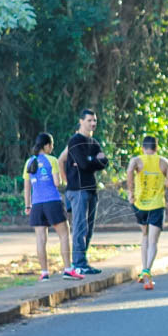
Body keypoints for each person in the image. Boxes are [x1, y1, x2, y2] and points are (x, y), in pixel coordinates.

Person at [23, 133, 78, 280]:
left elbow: (27, 187)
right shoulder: (52, 160)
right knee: (64, 235)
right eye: (51, 145)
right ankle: (68, 270)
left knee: (40, 239)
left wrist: (27, 206)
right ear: (46, 145)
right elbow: (56, 183)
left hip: (36, 205)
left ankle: (44, 273)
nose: (52, 148)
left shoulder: (29, 162)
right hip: (52, 201)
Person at [126, 136, 168, 290]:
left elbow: (129, 171)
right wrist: (163, 181)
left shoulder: (136, 160)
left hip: (140, 205)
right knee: (153, 241)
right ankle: (147, 270)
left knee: (144, 237)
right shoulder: (163, 162)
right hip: (156, 206)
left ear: (143, 148)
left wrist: (130, 192)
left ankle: (144, 270)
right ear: (156, 148)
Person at [59, 109, 108, 275]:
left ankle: (82, 261)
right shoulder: (75, 141)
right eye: (89, 120)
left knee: (89, 228)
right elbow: (84, 164)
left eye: (94, 120)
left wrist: (91, 161)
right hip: (77, 190)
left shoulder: (94, 143)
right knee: (80, 228)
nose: (93, 123)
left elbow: (104, 162)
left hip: (91, 189)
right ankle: (78, 264)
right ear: (81, 121)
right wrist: (92, 160)